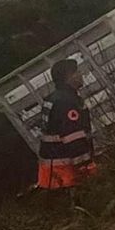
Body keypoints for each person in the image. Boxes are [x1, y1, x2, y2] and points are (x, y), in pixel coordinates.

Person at [36, 58, 96, 189]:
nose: (81, 74)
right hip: (64, 173)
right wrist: (87, 167)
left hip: (52, 172)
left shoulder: (55, 99)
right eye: (77, 72)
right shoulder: (66, 102)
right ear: (69, 77)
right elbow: (74, 137)